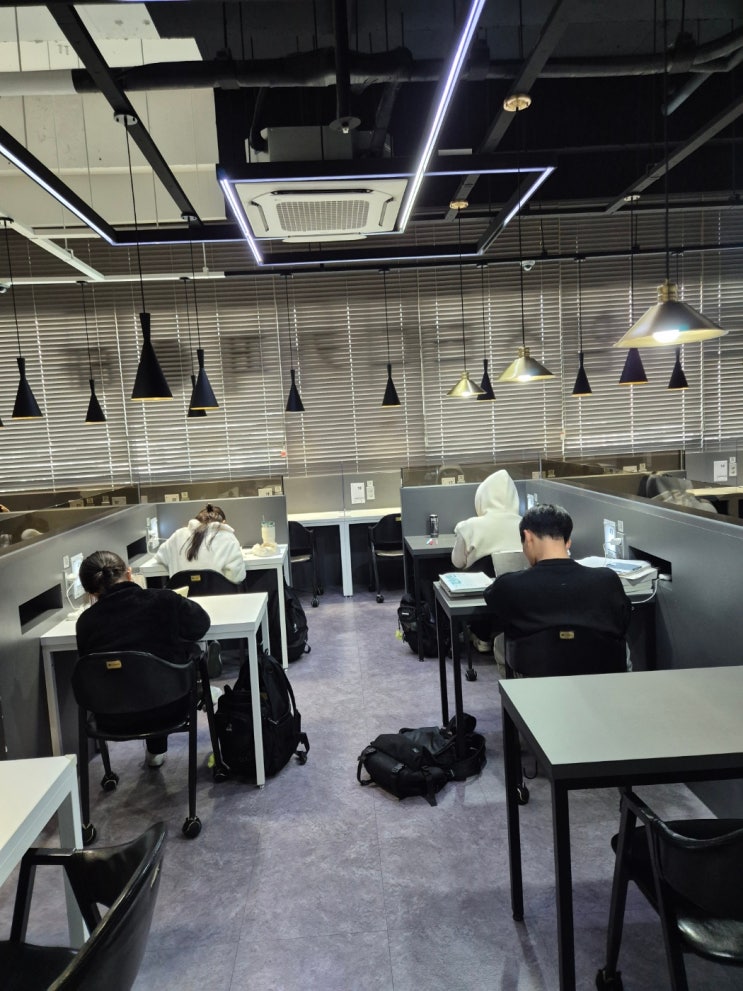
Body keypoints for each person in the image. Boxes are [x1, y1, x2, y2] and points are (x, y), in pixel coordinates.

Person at [75, 550, 210, 767]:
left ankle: (153, 752)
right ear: (129, 574)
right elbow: (201, 625)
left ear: (90, 591)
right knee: (163, 669)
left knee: (133, 677)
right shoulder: (164, 600)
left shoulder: (85, 622)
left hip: (110, 717)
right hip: (170, 708)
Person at [483, 503, 631, 645]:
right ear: (568, 542)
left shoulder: (509, 585)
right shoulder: (607, 580)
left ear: (528, 537)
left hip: (535, 661)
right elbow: (623, 621)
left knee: (500, 643)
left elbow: (492, 601)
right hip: (600, 661)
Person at [155, 503, 246, 585]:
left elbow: (160, 557)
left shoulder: (178, 535)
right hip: (217, 596)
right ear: (223, 522)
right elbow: (236, 577)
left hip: (182, 596)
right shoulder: (228, 538)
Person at [451, 469, 522, 570]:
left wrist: (461, 531)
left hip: (481, 580)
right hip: (521, 580)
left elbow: (458, 562)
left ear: (482, 497)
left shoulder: (470, 527)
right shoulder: (528, 527)